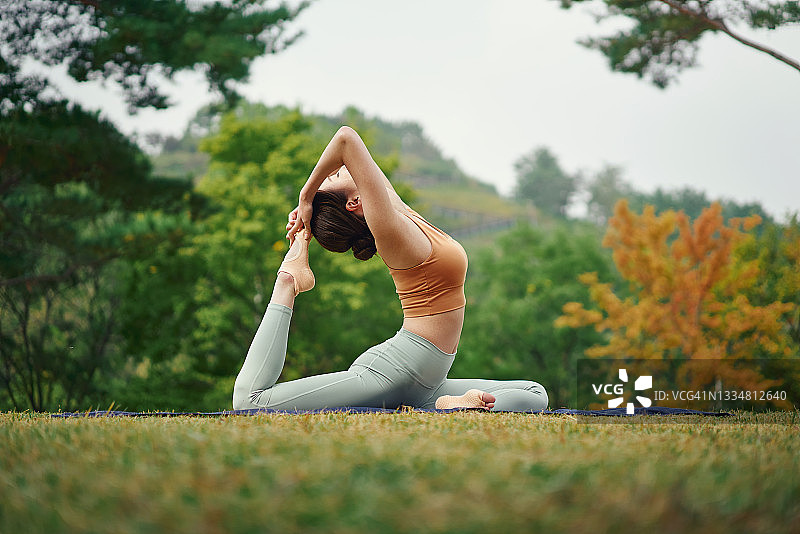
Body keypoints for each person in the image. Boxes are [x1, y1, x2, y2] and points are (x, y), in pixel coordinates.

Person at [232, 126, 548, 412]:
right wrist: (306, 195)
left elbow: (353, 154)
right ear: (354, 202)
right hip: (395, 369)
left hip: (429, 379)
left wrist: (311, 206)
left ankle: (449, 407)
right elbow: (346, 139)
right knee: (251, 401)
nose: (338, 170)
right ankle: (289, 280)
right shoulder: (389, 231)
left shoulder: (398, 213)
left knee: (535, 394)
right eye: (334, 178)